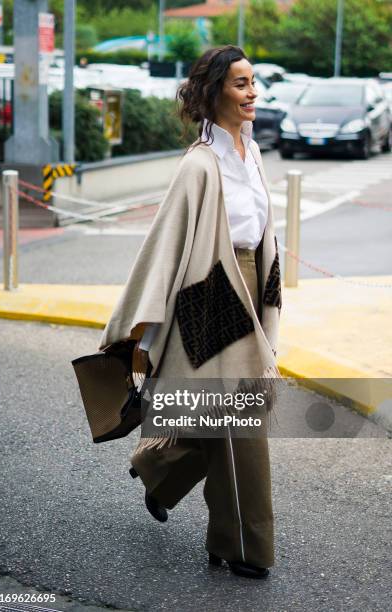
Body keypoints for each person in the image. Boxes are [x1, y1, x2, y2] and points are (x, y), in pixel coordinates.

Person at [98, 45, 282, 580]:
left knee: (222, 415)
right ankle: (245, 546)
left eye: (254, 83)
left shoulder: (255, 155)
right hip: (208, 296)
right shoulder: (200, 165)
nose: (252, 93)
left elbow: (263, 234)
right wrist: (136, 328)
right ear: (214, 92)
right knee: (239, 425)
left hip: (249, 287)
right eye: (241, 84)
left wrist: (270, 294)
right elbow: (165, 247)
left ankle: (161, 469)